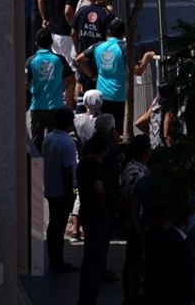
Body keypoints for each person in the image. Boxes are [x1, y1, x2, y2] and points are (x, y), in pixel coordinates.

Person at [75, 18, 154, 129]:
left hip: (101, 95)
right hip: (118, 96)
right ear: (124, 33)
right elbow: (138, 71)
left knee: (102, 128)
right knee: (117, 130)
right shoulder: (124, 48)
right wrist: (146, 57)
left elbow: (79, 59)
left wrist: (93, 76)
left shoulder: (98, 46)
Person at [76, 131, 112, 305]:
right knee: (95, 260)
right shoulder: (95, 166)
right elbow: (99, 190)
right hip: (96, 215)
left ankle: (86, 297)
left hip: (86, 212)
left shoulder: (82, 164)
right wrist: (105, 208)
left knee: (89, 258)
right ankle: (89, 299)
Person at [43, 108, 79, 273]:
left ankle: (54, 259)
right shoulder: (67, 143)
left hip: (50, 187)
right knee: (58, 226)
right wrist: (68, 194)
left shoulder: (48, 138)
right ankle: (57, 261)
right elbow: (67, 170)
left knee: (53, 225)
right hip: (61, 191)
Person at [27, 28, 74, 148]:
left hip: (37, 107)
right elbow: (71, 81)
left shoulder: (31, 61)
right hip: (56, 107)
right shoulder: (59, 59)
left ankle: (36, 166)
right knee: (56, 143)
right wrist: (68, 102)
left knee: (36, 144)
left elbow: (24, 83)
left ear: (36, 44)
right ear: (51, 42)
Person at [119, 135, 153, 303]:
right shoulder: (135, 172)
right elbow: (132, 202)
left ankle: (133, 293)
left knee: (135, 260)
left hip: (136, 222)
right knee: (134, 260)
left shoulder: (138, 169)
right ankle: (131, 295)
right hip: (135, 223)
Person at [37, 0, 83, 82]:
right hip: (66, 35)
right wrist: (75, 26)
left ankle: (61, 92)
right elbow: (68, 11)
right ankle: (68, 97)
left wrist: (44, 18)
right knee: (70, 68)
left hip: (53, 33)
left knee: (58, 65)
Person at [71, 0, 113, 95]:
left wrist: (78, 51)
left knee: (84, 87)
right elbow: (110, 39)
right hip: (100, 59)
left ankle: (83, 109)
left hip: (84, 57)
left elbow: (73, 34)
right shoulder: (107, 14)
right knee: (101, 92)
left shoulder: (82, 10)